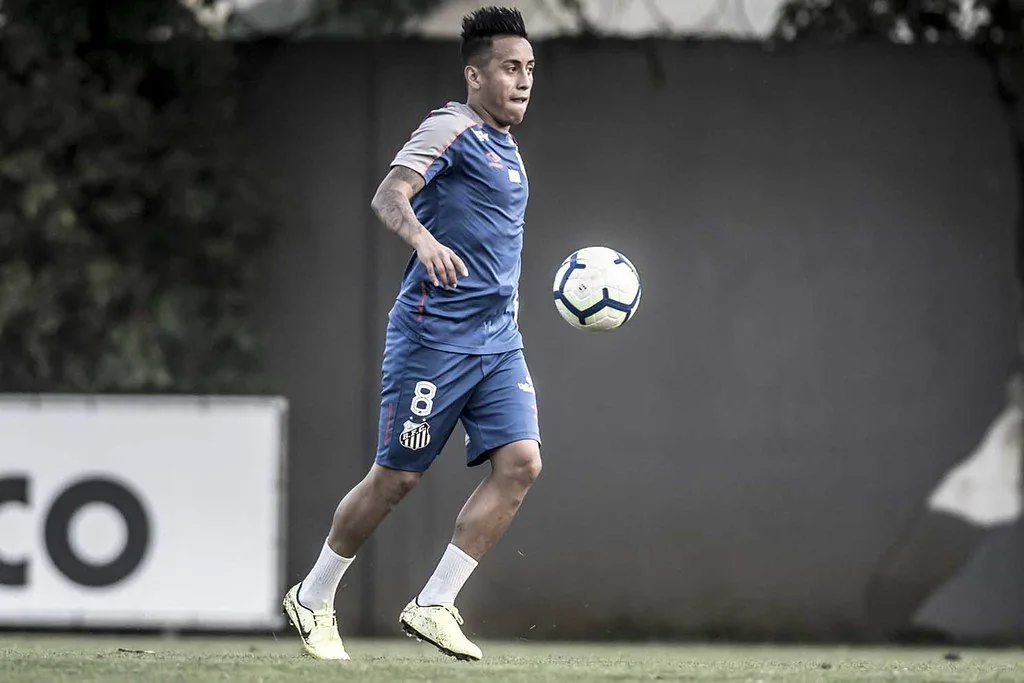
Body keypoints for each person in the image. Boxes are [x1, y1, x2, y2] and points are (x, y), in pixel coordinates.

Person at [282, 6, 540, 663]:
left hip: (496, 341)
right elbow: (389, 195)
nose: (523, 80)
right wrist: (423, 241)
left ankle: (434, 603)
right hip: (433, 338)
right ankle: (313, 594)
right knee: (395, 480)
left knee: (521, 463)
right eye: (510, 68)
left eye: (530, 68)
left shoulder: (507, 147)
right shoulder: (451, 127)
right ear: (474, 76)